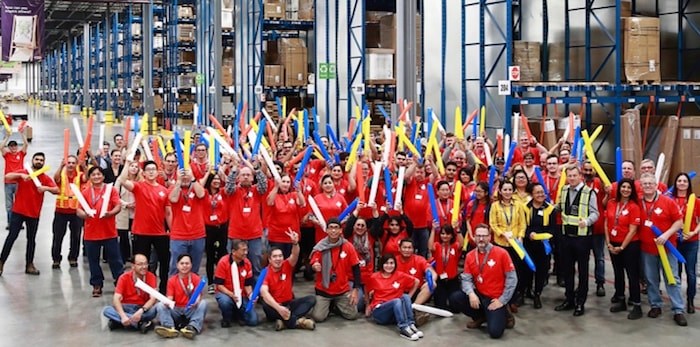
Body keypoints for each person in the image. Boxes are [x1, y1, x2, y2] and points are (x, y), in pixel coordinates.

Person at [449, 223, 517, 339]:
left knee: (495, 333)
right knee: (455, 298)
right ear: (474, 237)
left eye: (484, 236)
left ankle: (506, 314)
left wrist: (502, 300)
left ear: (489, 237)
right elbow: (466, 278)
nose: (481, 239)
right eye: (478, 236)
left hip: (495, 298)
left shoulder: (502, 253)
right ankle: (481, 317)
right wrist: (471, 294)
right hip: (480, 295)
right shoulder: (470, 255)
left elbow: (512, 279)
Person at [637, 173, 686, 326]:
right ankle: (655, 305)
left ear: (656, 185)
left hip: (667, 248)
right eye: (644, 184)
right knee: (651, 279)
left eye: (650, 183)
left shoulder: (667, 202)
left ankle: (678, 309)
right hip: (647, 248)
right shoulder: (638, 202)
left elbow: (679, 222)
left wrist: (666, 235)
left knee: (672, 279)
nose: (647, 186)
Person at [0, 152, 58, 275]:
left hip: (34, 214)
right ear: (32, 160)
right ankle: (1, 262)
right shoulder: (25, 173)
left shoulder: (45, 178)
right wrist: (20, 175)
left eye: (41, 160)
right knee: (12, 237)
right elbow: (7, 176)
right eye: (37, 159)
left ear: (43, 162)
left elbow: (56, 190)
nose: (39, 161)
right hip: (18, 211)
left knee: (31, 239)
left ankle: (29, 265)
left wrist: (45, 188)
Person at [119, 159, 173, 293]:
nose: (151, 172)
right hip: (141, 232)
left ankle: (163, 289)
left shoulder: (164, 191)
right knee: (142, 264)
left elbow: (168, 212)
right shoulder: (138, 186)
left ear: (157, 172)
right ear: (143, 172)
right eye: (148, 170)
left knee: (165, 262)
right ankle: (143, 290)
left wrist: (172, 231)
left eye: (153, 169)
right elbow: (122, 180)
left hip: (160, 233)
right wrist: (127, 163)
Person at [554, 165, 599, 316]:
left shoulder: (589, 192)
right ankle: (569, 299)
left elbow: (595, 213)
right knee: (567, 270)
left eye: (574, 175)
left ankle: (580, 302)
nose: (572, 178)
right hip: (566, 237)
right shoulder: (564, 190)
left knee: (583, 271)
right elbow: (559, 207)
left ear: (580, 176)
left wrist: (586, 222)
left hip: (582, 238)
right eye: (569, 176)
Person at [76, 167, 123, 297]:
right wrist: (84, 215)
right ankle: (97, 284)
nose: (96, 176)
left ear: (103, 176)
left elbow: (118, 205)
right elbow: (78, 210)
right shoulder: (85, 192)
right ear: (90, 177)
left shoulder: (110, 190)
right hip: (91, 233)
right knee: (93, 261)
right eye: (93, 174)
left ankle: (120, 283)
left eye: (99, 174)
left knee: (115, 260)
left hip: (109, 232)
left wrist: (110, 213)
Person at [260, 231, 317, 331]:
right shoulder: (265, 272)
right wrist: (279, 308)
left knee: (311, 299)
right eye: (275, 256)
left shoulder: (287, 264)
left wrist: (295, 243)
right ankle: (298, 322)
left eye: (280, 256)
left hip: (289, 303)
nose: (278, 259)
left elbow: (294, 255)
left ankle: (284, 322)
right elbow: (264, 292)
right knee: (266, 305)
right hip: (275, 306)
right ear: (269, 259)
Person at [604, 178, 642, 319]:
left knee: (632, 275)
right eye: (623, 187)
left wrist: (621, 247)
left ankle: (637, 305)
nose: (625, 189)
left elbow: (633, 230)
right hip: (613, 243)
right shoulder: (611, 203)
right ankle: (620, 300)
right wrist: (608, 243)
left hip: (630, 245)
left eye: (628, 187)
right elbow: (607, 223)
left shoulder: (634, 206)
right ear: (619, 188)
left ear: (632, 190)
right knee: (618, 273)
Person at [309, 218, 361, 322]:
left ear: (341, 230)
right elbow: (314, 262)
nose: (333, 231)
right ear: (326, 230)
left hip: (342, 290)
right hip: (324, 290)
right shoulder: (320, 246)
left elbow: (356, 268)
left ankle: (334, 305)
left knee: (353, 315)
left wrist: (355, 290)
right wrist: (315, 266)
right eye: (331, 228)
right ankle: (328, 304)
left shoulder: (348, 246)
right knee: (318, 317)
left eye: (336, 228)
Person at [224, 157, 268, 276]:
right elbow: (228, 187)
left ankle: (255, 293)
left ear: (252, 178)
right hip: (236, 235)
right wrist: (234, 169)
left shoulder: (256, 191)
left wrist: (257, 169)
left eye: (248, 175)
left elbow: (264, 185)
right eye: (243, 175)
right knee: (234, 266)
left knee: (255, 265)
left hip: (254, 235)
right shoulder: (234, 191)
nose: (246, 177)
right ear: (238, 178)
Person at [489, 180, 527, 311]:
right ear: (500, 191)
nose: (507, 192)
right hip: (501, 243)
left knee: (515, 272)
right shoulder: (495, 206)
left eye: (510, 190)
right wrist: (502, 234)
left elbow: (522, 223)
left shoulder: (518, 205)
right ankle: (501, 298)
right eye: (505, 190)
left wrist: (521, 236)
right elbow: (493, 224)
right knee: (501, 273)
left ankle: (513, 300)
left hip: (516, 244)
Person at [365, 254, 422, 341]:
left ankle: (410, 324)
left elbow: (416, 281)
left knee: (405, 296)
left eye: (391, 263)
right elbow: (366, 289)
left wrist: (410, 296)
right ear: (382, 264)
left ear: (395, 264)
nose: (389, 266)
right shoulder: (374, 277)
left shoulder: (400, 275)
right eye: (386, 263)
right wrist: (368, 305)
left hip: (394, 312)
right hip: (380, 311)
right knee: (396, 301)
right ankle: (403, 328)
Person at [154, 254, 208, 339]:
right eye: (182, 263)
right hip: (176, 309)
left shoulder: (196, 278)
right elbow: (170, 297)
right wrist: (167, 302)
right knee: (160, 305)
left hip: (190, 309)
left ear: (191, 265)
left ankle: (192, 327)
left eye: (187, 263)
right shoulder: (172, 280)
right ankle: (169, 328)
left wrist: (196, 302)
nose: (184, 266)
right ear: (177, 265)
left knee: (203, 303)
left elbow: (198, 295)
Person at [102, 254, 157, 333]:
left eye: (145, 264)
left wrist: (141, 310)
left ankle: (119, 322)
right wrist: (123, 316)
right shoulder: (124, 277)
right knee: (106, 310)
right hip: (126, 307)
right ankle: (138, 323)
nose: (144, 267)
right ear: (133, 266)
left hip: (143, 308)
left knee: (156, 309)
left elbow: (153, 299)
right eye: (140, 264)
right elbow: (116, 299)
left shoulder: (151, 276)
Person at [670, 172, 700, 314]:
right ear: (676, 183)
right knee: (676, 273)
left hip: (691, 242)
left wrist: (694, 232)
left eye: (685, 181)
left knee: (691, 273)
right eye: (679, 180)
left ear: (688, 184)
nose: (682, 183)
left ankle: (690, 300)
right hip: (675, 242)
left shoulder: (695, 201)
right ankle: (677, 301)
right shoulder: (670, 200)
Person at [167, 168, 206, 276]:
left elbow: (201, 194)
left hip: (197, 235)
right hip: (179, 236)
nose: (185, 177)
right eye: (182, 174)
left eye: (187, 174)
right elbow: (173, 199)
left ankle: (193, 291)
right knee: (176, 268)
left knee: (194, 269)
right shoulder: (173, 188)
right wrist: (178, 181)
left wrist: (193, 178)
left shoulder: (196, 186)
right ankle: (173, 291)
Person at [523, 183, 556, 309]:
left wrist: (547, 237)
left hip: (544, 246)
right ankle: (526, 290)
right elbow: (522, 226)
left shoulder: (550, 209)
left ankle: (537, 294)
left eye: (542, 192)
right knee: (527, 270)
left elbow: (553, 229)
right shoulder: (525, 208)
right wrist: (528, 234)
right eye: (537, 192)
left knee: (542, 271)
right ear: (532, 194)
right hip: (529, 244)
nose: (541, 195)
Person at [51, 154, 88, 269]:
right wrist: (60, 166)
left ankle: (73, 258)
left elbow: (87, 178)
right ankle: (56, 259)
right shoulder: (61, 174)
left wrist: (84, 166)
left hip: (75, 211)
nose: (71, 165)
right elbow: (55, 178)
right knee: (58, 237)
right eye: (69, 163)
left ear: (76, 164)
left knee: (76, 236)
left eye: (73, 163)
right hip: (61, 211)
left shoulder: (80, 175)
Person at [214, 239, 258, 327]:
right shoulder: (223, 262)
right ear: (234, 251)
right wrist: (232, 294)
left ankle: (238, 314)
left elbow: (247, 284)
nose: (246, 252)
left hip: (242, 295)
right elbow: (219, 285)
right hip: (226, 293)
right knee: (225, 302)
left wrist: (251, 295)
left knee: (253, 321)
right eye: (243, 250)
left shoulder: (247, 263)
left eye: (247, 250)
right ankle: (227, 318)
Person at [582, 160, 608, 297]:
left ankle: (600, 283)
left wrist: (608, 193)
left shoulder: (599, 183)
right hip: (583, 227)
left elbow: (603, 204)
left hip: (597, 227)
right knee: (583, 258)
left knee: (599, 257)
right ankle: (582, 284)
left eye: (590, 170)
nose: (587, 172)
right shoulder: (579, 182)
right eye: (585, 170)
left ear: (595, 171)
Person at [202, 170, 229, 294]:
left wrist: (223, 173)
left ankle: (221, 281)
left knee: (223, 256)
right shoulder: (204, 193)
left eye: (218, 179)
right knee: (210, 256)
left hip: (222, 227)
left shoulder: (223, 192)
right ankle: (211, 282)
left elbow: (230, 184)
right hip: (209, 228)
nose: (217, 181)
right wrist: (207, 173)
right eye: (214, 179)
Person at [267, 173, 306, 257]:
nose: (285, 184)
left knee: (290, 262)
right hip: (276, 235)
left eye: (288, 182)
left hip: (292, 235)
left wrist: (299, 191)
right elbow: (270, 202)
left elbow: (302, 203)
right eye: (283, 181)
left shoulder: (294, 195)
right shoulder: (274, 195)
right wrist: (276, 187)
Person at [428, 224, 464, 310]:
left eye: (448, 234)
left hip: (453, 279)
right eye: (443, 234)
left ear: (452, 235)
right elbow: (430, 246)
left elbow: (462, 244)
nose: (445, 236)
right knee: (440, 307)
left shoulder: (455, 246)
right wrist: (433, 230)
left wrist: (458, 230)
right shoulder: (437, 245)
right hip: (440, 279)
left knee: (456, 308)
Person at [403, 161, 433, 257]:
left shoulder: (427, 182)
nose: (419, 174)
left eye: (422, 172)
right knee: (408, 251)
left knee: (423, 252)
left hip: (423, 225)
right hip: (409, 225)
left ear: (425, 173)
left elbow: (436, 175)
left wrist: (431, 162)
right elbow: (406, 176)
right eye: (417, 172)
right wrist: (414, 164)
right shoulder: (411, 182)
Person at [115, 160, 140, 264]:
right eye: (131, 166)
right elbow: (115, 196)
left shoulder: (141, 181)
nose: (134, 168)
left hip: (136, 213)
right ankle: (123, 259)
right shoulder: (120, 181)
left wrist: (136, 204)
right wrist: (125, 204)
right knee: (123, 238)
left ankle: (136, 259)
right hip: (123, 213)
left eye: (136, 166)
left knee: (136, 239)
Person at [309, 174, 348, 243]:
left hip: (337, 232)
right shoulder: (316, 198)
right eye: (325, 183)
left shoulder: (340, 198)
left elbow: (348, 214)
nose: (328, 185)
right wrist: (315, 221)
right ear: (322, 185)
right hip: (321, 232)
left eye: (330, 183)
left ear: (333, 184)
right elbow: (310, 215)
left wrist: (341, 222)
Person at [2, 129, 28, 227]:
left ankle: (18, 223)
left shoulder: (20, 154)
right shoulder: (7, 155)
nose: (13, 148)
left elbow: (26, 145)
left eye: (15, 146)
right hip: (8, 182)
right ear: (9, 147)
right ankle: (10, 223)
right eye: (11, 146)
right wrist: (7, 137)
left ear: (17, 147)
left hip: (19, 182)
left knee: (19, 203)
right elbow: (1, 147)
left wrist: (22, 134)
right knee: (9, 205)